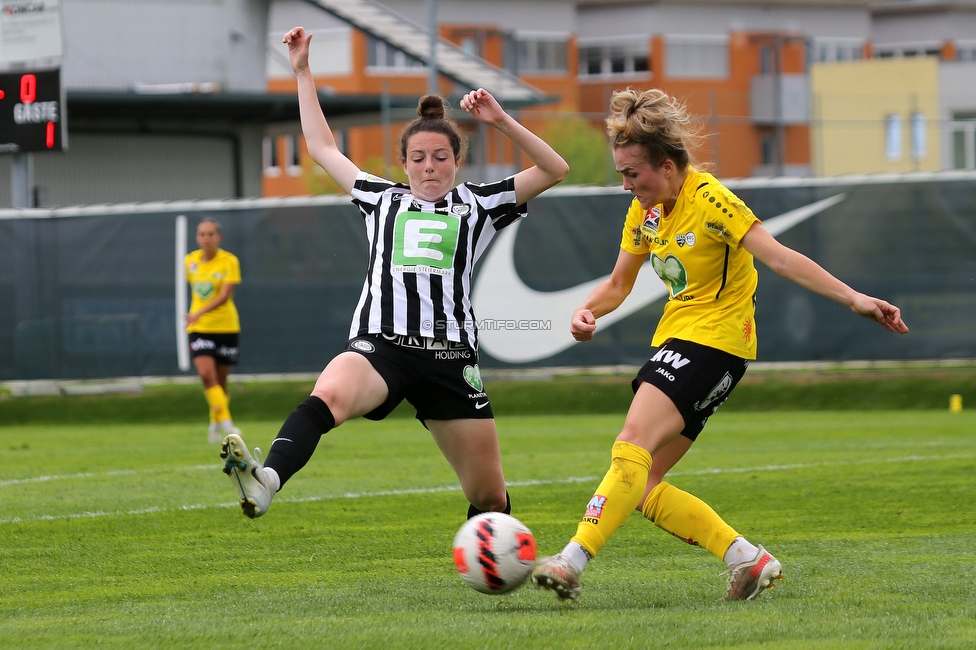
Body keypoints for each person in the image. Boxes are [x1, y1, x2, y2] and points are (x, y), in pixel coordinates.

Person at [530, 88, 909, 602]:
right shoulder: (645, 212)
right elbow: (619, 284)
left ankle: (571, 562)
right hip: (695, 347)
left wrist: (854, 298)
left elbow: (777, 257)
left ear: (666, 166)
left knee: (630, 445)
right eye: (620, 173)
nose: (625, 185)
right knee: (642, 486)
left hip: (712, 344)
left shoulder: (710, 199)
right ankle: (748, 560)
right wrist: (587, 310)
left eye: (632, 173)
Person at [220, 26, 568, 519]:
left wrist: (501, 120)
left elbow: (555, 169)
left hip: (449, 356)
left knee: (489, 498)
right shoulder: (379, 198)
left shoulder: (480, 203)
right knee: (330, 393)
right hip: (382, 346)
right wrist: (302, 71)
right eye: (419, 158)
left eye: (441, 158)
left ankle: (494, 559)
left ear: (457, 161)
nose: (430, 167)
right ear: (403, 163)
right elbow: (321, 147)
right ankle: (267, 480)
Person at [185, 217, 243, 444]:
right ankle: (228, 423)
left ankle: (214, 424)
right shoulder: (189, 261)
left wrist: (200, 311)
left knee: (219, 381)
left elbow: (224, 296)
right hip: (199, 327)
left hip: (226, 326)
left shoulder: (229, 261)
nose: (206, 238)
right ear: (197, 237)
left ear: (219, 237)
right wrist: (197, 315)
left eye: (210, 234)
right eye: (202, 234)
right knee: (205, 374)